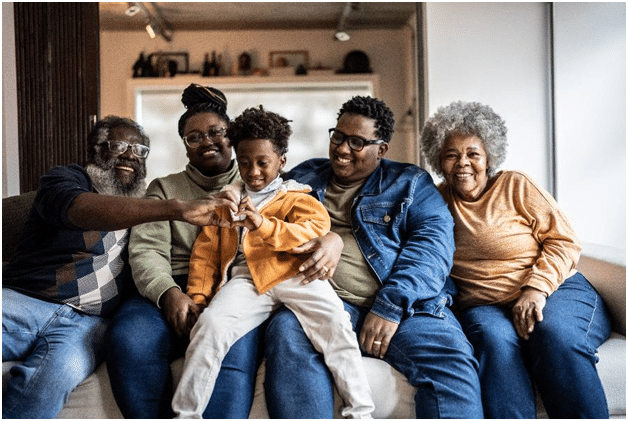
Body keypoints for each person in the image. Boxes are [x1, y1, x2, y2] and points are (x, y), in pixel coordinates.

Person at [262, 96, 484, 418]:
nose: (341, 149)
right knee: (285, 332)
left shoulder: (409, 183)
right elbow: (265, 224)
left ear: (382, 149)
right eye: (338, 136)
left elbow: (432, 248)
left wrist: (390, 305)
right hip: (322, 302)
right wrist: (329, 237)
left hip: (408, 308)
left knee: (450, 361)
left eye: (357, 142)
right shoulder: (304, 178)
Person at [2, 116, 235, 419]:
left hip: (87, 325)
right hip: (26, 300)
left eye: (140, 151)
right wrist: (175, 208)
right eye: (119, 146)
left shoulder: (146, 201)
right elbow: (79, 209)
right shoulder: (67, 180)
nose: (130, 155)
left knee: (58, 374)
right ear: (96, 150)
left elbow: (151, 257)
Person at [171, 106, 375, 419]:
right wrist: (198, 296)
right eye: (245, 162)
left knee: (336, 325)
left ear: (281, 162)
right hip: (247, 280)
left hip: (297, 276)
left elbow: (313, 231)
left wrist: (262, 226)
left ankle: (360, 411)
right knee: (210, 325)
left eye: (263, 163)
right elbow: (206, 254)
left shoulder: (298, 196)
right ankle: (186, 413)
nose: (253, 171)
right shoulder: (227, 201)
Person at [420, 100, 612, 418]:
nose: (462, 163)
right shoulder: (436, 201)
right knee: (493, 342)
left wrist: (535, 289)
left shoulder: (515, 185)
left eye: (472, 154)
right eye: (451, 154)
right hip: (486, 307)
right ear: (439, 160)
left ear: (489, 156)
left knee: (554, 336)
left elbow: (564, 241)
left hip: (556, 290)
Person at [104, 84, 265, 418]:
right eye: (194, 137)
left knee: (231, 345)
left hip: (233, 289)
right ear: (186, 147)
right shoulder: (164, 189)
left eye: (215, 132)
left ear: (231, 135)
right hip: (170, 288)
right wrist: (169, 294)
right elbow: (147, 251)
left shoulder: (260, 182)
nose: (206, 141)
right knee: (128, 340)